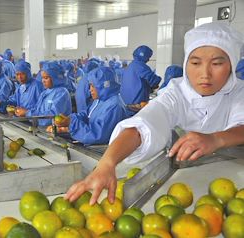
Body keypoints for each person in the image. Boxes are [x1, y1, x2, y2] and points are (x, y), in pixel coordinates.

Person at [65, 22, 244, 205]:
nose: (205, 74)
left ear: (231, 65)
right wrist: (107, 164)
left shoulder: (240, 92)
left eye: (216, 63)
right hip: (184, 186)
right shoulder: (176, 93)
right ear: (185, 64)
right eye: (196, 62)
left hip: (236, 182)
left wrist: (215, 139)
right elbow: (144, 124)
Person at [56, 67, 125, 145]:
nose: (90, 90)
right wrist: (71, 119)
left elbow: (98, 135)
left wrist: (72, 124)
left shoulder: (114, 106)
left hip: (101, 151)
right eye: (90, 86)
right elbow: (87, 115)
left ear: (104, 86)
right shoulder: (99, 101)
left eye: (93, 86)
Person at [15, 61, 72, 126]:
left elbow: (53, 116)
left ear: (55, 78)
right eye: (42, 78)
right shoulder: (45, 92)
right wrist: (24, 112)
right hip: (42, 129)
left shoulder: (62, 93)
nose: (43, 81)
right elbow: (37, 109)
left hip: (55, 131)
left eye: (46, 78)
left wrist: (27, 113)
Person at [119, 45, 161, 114]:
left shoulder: (130, 65)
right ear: (145, 57)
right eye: (148, 57)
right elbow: (153, 80)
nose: (148, 59)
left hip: (125, 102)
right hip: (136, 104)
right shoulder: (141, 66)